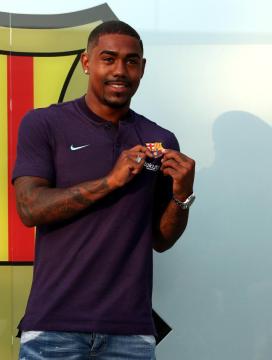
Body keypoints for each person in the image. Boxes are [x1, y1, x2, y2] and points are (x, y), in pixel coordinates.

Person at [13, 20, 196, 360]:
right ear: (86, 62)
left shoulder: (160, 139)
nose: (120, 71)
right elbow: (30, 208)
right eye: (108, 59)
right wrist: (110, 182)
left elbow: (161, 239)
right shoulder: (44, 124)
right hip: (54, 328)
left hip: (131, 332)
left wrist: (182, 197)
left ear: (142, 68)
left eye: (131, 61)